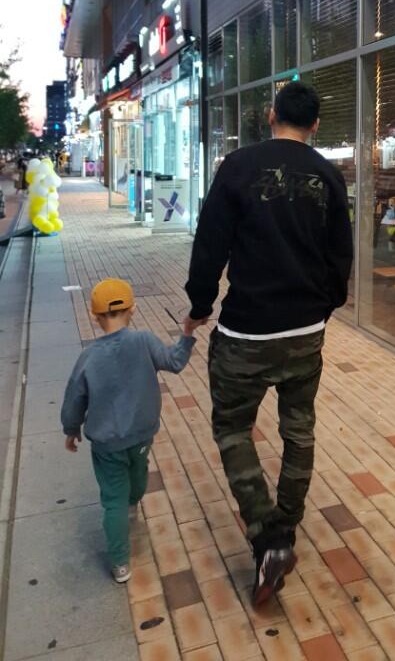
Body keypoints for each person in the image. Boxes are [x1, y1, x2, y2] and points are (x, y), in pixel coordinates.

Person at [184, 81, 353, 606]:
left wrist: (199, 305)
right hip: (305, 331)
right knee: (298, 428)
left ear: (271, 114)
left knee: (233, 427)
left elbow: (210, 244)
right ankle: (287, 524)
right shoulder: (328, 175)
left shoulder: (238, 166)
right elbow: (340, 255)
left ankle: (268, 535)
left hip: (246, 331)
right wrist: (323, 307)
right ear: (315, 124)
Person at [61, 278, 195, 583]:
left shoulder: (89, 357)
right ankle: (133, 504)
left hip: (107, 443)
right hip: (142, 435)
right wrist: (187, 334)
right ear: (132, 309)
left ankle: (120, 563)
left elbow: (74, 398)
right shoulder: (144, 341)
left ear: (94, 317)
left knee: (113, 500)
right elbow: (175, 361)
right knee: (138, 473)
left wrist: (71, 428)